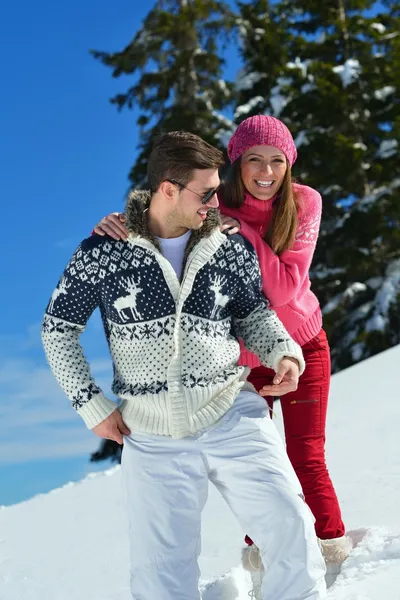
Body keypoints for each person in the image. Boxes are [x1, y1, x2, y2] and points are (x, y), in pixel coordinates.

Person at [42, 131, 326, 600]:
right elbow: (58, 330)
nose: (218, 202)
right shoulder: (102, 253)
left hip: (231, 410)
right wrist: (91, 406)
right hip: (152, 435)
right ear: (168, 188)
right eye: (207, 192)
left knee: (290, 526)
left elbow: (253, 313)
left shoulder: (227, 244)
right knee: (161, 573)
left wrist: (283, 352)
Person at [94, 116, 351, 573]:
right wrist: (122, 222)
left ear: (289, 165)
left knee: (306, 455)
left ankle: (333, 550)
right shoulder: (210, 208)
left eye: (277, 161)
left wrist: (239, 230)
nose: (266, 172)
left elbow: (286, 289)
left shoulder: (303, 202)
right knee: (259, 469)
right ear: (237, 162)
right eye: (254, 160)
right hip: (242, 362)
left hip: (303, 345)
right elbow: (163, 221)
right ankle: (262, 562)